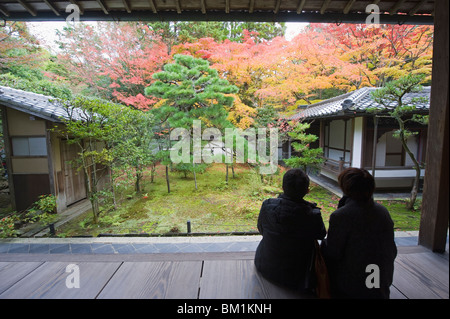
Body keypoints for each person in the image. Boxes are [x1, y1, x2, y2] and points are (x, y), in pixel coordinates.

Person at [321, 167, 397, 299]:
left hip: (354, 286)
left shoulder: (342, 215)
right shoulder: (382, 211)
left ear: (346, 188)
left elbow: (333, 253)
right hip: (380, 280)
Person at [254, 168, 327, 292]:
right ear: (307, 190)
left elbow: (261, 228)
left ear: (282, 187)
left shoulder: (267, 205)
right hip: (297, 277)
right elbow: (321, 234)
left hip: (264, 264)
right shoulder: (312, 214)